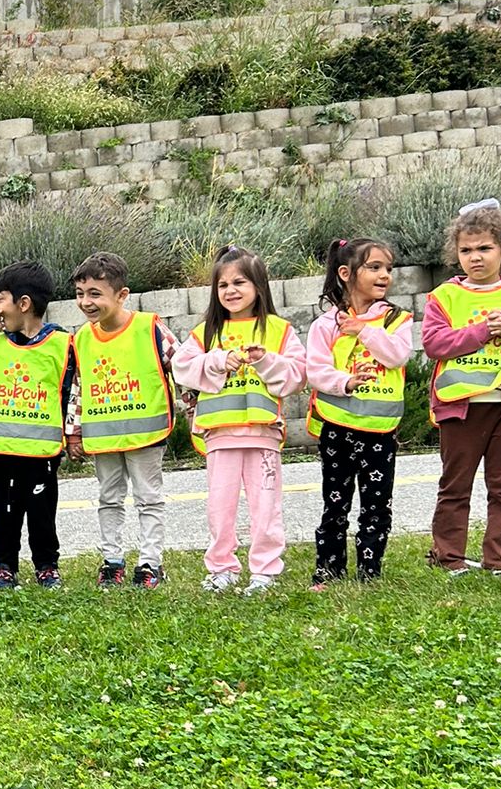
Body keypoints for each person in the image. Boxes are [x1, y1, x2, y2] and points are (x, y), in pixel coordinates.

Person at [421, 200, 501, 580]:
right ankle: (448, 557)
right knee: (455, 486)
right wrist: (481, 331)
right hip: (460, 407)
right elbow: (434, 343)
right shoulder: (444, 296)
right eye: (466, 250)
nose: (475, 257)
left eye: (484, 248)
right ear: (456, 253)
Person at [172, 246, 306, 594]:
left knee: (266, 507)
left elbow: (297, 375)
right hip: (219, 435)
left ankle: (265, 570)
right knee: (220, 508)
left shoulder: (279, 330)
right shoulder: (206, 332)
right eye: (223, 285)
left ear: (259, 286)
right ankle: (222, 568)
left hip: (263, 434)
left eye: (239, 282)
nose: (230, 291)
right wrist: (217, 360)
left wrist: (265, 360)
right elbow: (181, 367)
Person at [0, 261, 73, 589]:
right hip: (1, 450)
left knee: (42, 512)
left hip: (41, 452)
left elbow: (67, 394)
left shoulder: (61, 344)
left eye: (0, 299)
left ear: (24, 304)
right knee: (4, 512)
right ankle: (4, 564)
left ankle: (46, 565)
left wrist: (70, 436)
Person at [64, 251, 177, 590]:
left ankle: (150, 563)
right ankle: (112, 561)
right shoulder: (82, 338)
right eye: (80, 294)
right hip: (104, 439)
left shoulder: (150, 328)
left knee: (149, 499)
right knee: (108, 499)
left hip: (146, 436)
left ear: (121, 295)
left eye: (95, 294)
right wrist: (73, 432)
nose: (86, 302)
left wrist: (194, 410)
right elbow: (79, 387)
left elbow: (183, 367)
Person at [305, 238, 413, 588]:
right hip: (338, 429)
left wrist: (364, 330)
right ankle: (329, 569)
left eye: (389, 269)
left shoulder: (396, 320)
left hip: (381, 432)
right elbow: (315, 371)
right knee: (335, 504)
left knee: (377, 506)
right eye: (374, 267)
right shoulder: (326, 325)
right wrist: (345, 382)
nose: (385, 275)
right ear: (345, 273)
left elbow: (397, 355)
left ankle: (370, 571)